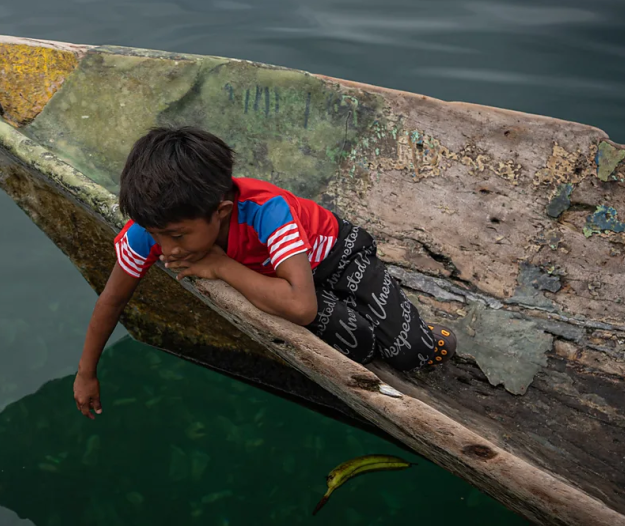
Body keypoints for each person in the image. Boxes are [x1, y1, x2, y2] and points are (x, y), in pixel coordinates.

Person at [73, 126, 455, 419]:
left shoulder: (267, 212)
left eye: (177, 236)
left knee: (410, 353)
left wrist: (221, 266)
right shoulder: (153, 228)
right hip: (283, 278)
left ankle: (430, 332)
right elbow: (114, 298)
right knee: (360, 345)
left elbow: (302, 308)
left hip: (338, 258)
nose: (167, 249)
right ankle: (361, 313)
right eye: (158, 236)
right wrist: (86, 372)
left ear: (221, 212)